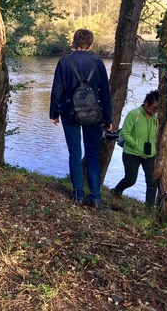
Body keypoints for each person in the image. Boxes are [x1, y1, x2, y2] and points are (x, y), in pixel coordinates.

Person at [50, 29, 113, 208]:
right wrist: (108, 118)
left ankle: (78, 194)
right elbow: (105, 94)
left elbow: (57, 90)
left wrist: (54, 113)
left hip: (69, 112)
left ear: (73, 43)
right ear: (91, 45)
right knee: (92, 155)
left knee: (75, 154)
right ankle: (95, 197)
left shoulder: (64, 62)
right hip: (93, 115)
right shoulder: (98, 63)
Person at [111, 90, 159, 207]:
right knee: (130, 179)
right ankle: (116, 191)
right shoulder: (134, 114)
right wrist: (135, 144)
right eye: (153, 107)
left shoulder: (157, 117)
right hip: (132, 153)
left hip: (149, 155)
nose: (155, 110)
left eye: (157, 108)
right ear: (146, 103)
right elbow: (124, 133)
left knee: (152, 183)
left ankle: (149, 207)